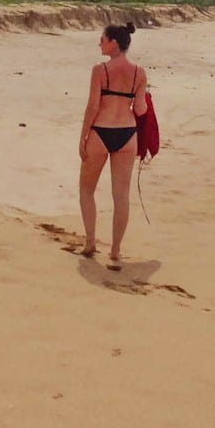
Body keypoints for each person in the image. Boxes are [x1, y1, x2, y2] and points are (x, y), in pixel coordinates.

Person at [78, 21, 148, 269]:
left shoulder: (100, 71)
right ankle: (116, 250)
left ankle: (89, 242)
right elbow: (140, 109)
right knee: (121, 196)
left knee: (86, 190)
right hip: (128, 134)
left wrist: (83, 136)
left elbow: (93, 106)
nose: (100, 43)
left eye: (103, 39)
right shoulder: (139, 72)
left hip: (101, 132)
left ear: (114, 43)